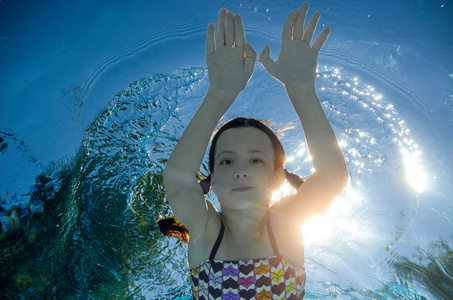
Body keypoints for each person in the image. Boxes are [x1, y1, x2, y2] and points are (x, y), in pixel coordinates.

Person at [162, 2, 348, 299]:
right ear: (210, 183)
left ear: (277, 178)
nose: (241, 169)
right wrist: (218, 94)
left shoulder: (284, 223)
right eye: (226, 161)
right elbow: (178, 179)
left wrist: (302, 88)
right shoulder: (206, 228)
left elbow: (331, 176)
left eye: (256, 160)